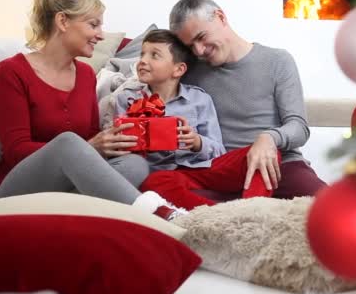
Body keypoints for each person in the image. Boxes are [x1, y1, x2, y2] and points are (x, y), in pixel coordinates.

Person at [0, 0, 182, 220]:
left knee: (134, 163)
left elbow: (90, 135)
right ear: (62, 22)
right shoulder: (12, 71)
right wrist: (91, 146)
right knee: (68, 143)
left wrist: (114, 141)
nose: (101, 34)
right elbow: (15, 151)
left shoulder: (85, 74)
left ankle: (73, 212)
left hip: (66, 190)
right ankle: (158, 212)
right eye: (93, 24)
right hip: (17, 192)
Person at [168, 0, 326, 199]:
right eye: (190, 46)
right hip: (222, 171)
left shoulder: (277, 60)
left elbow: (299, 127)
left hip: (280, 165)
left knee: (335, 210)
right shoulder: (188, 71)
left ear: (220, 17)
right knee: (163, 188)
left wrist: (269, 137)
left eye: (201, 37)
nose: (198, 51)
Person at [115, 29, 280, 210]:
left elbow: (219, 151)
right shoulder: (127, 99)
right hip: (163, 174)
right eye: (142, 54)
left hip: (200, 168)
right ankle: (221, 217)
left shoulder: (199, 99)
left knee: (267, 153)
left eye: (154, 55)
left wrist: (196, 142)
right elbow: (118, 150)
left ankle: (252, 211)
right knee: (155, 184)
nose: (143, 60)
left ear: (178, 69)